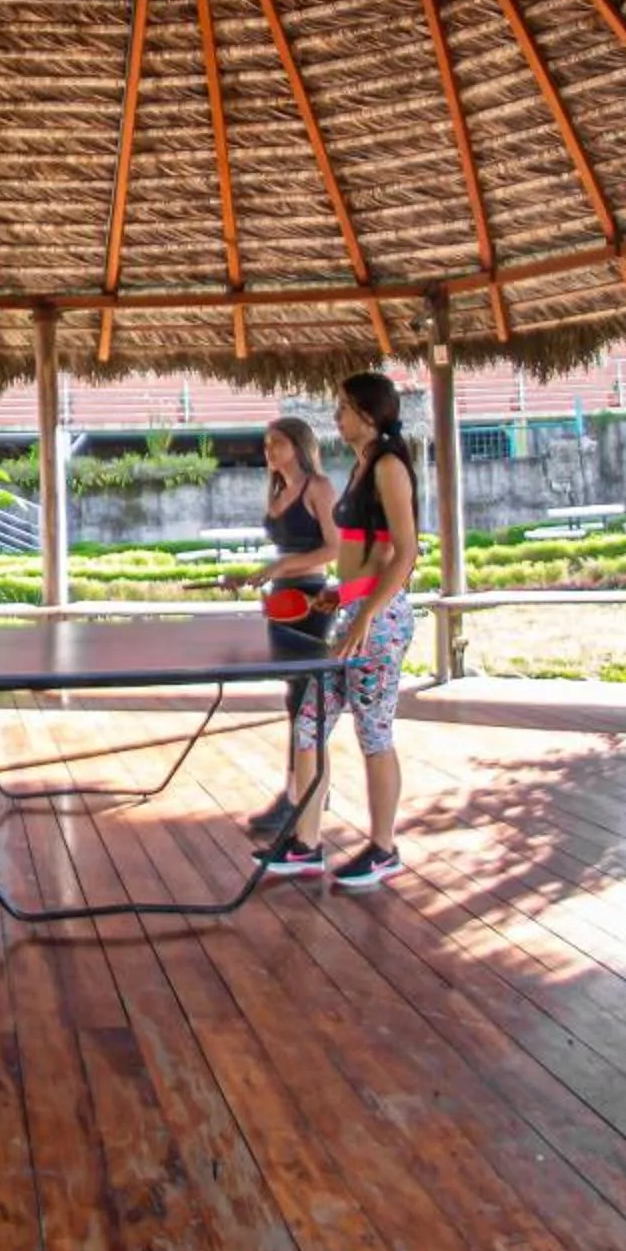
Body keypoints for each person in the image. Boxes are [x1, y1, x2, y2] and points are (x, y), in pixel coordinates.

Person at [255, 373, 416, 889]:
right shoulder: (363, 466)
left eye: (344, 408)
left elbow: (406, 553)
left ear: (368, 414)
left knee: (374, 733)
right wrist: (342, 597)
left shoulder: (389, 466)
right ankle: (306, 845)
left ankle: (384, 848)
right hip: (351, 612)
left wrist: (366, 612)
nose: (336, 417)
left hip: (380, 621)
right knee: (308, 726)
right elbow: (362, 555)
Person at [232, 417, 336, 835]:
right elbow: (285, 555)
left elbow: (333, 548)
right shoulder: (277, 492)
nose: (269, 451)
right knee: (295, 698)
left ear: (299, 445)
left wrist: (280, 566)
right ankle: (304, 789)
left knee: (305, 703)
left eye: (277, 443)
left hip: (311, 600)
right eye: (266, 444)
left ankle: (301, 794)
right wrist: (256, 577)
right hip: (283, 599)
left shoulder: (319, 489)